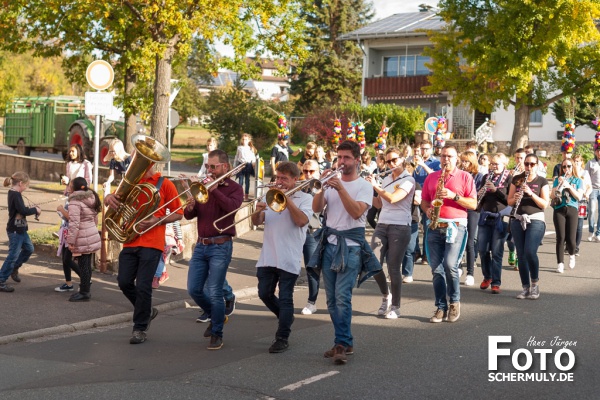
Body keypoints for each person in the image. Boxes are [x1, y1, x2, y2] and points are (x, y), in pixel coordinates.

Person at [307, 140, 381, 365]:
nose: (342, 162)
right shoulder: (332, 183)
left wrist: (339, 188)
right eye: (339, 157)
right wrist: (322, 187)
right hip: (329, 245)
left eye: (346, 158)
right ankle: (345, 341)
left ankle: (340, 344)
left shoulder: (364, 186)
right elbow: (317, 209)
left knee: (342, 297)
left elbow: (357, 212)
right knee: (330, 300)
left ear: (357, 160)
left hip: (351, 247)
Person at [104, 162, 183, 344]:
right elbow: (115, 201)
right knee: (123, 282)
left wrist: (158, 219)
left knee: (143, 286)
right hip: (131, 240)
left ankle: (139, 328)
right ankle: (147, 311)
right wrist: (109, 197)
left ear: (152, 163)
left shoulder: (166, 184)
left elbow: (179, 213)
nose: (135, 164)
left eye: (138, 160)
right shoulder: (131, 182)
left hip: (152, 242)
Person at [184, 149, 244, 350]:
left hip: (221, 245)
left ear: (225, 167)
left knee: (215, 291)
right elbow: (189, 216)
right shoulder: (203, 187)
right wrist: (191, 206)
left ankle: (217, 332)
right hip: (201, 245)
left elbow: (231, 208)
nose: (209, 169)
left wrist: (214, 189)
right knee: (193, 289)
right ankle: (217, 316)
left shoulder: (235, 188)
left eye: (213, 166)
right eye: (208, 166)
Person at [252, 162, 312, 353]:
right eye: (278, 177)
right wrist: (258, 209)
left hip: (289, 256)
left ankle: (282, 337)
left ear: (296, 179)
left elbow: (302, 221)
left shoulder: (306, 198)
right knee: (264, 293)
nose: (279, 181)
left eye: (284, 178)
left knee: (286, 298)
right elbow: (257, 221)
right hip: (268, 255)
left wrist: (287, 199)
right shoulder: (270, 196)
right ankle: (286, 317)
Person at [421, 145, 477, 323]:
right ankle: (440, 307)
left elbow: (473, 205)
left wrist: (454, 196)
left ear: (457, 159)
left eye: (450, 156)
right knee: (436, 269)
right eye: (443, 156)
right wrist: (428, 210)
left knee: (450, 265)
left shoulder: (465, 177)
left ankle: (454, 302)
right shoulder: (432, 177)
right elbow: (424, 202)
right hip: (435, 226)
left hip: (456, 226)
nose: (446, 159)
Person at [366, 148, 415, 319]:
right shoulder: (386, 178)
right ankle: (386, 295)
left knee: (394, 267)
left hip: (400, 226)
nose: (391, 164)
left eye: (394, 160)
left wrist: (375, 186)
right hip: (382, 224)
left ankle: (396, 307)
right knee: (373, 262)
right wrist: (366, 189)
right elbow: (379, 204)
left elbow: (394, 198)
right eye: (388, 162)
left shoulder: (409, 179)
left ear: (402, 159)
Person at [507, 154, 550, 300]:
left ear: (537, 165)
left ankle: (535, 284)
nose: (529, 167)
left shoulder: (542, 181)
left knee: (530, 251)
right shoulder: (516, 179)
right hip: (518, 219)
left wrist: (530, 193)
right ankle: (525, 287)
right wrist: (516, 197)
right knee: (521, 254)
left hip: (536, 220)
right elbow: (509, 201)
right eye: (527, 164)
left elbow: (544, 204)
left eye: (532, 164)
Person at [477, 153, 512, 294]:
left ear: (504, 164)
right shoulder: (486, 177)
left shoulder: (510, 178)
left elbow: (509, 200)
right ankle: (487, 276)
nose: (493, 166)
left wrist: (496, 190)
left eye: (496, 164)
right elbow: (481, 197)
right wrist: (481, 193)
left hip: (500, 218)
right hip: (486, 216)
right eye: (492, 163)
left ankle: (496, 282)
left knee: (497, 252)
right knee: (482, 249)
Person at [0, 172, 40, 292]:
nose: (26, 188)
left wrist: (31, 209)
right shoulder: (15, 194)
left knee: (29, 249)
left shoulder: (16, 193)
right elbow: (22, 210)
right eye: (26, 186)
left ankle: (14, 267)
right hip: (15, 230)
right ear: (21, 183)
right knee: (13, 255)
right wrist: (35, 210)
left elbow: (21, 209)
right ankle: (1, 279)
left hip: (21, 229)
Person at [64, 177, 102, 301]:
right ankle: (84, 289)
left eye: (70, 185)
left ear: (75, 187)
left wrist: (70, 241)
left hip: (83, 236)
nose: (69, 187)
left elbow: (74, 223)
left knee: (84, 266)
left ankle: (85, 292)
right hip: (91, 233)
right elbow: (95, 218)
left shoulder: (75, 202)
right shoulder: (91, 197)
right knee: (87, 265)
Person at [551, 158, 583, 273]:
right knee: (560, 237)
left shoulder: (578, 180)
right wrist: (558, 184)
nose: (566, 169)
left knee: (571, 238)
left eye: (569, 166)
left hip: (572, 208)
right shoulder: (558, 179)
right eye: (564, 167)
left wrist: (568, 185)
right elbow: (552, 195)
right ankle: (560, 263)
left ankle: (572, 254)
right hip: (559, 208)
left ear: (572, 167)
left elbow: (579, 197)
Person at [299, 160, 322, 315]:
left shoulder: (322, 188)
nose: (308, 174)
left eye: (311, 171)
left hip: (312, 233)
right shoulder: (299, 186)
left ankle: (312, 302)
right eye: (306, 171)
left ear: (318, 172)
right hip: (295, 231)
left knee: (311, 267)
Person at [413, 141, 441, 266]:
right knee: (413, 225)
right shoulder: (414, 161)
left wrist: (422, 164)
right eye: (421, 149)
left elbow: (435, 176)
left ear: (431, 149)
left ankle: (425, 254)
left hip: (428, 198)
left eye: (426, 149)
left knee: (426, 226)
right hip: (414, 196)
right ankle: (415, 251)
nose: (423, 151)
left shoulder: (435, 162)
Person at [459, 151, 484, 286]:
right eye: (462, 161)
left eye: (467, 161)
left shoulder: (479, 176)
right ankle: (458, 267)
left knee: (470, 241)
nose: (464, 164)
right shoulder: (458, 174)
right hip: (459, 208)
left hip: (473, 210)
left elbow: (478, 195)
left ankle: (470, 273)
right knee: (457, 240)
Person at [55, 181, 81, 292]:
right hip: (66, 231)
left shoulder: (76, 200)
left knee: (67, 259)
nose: (68, 187)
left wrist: (61, 210)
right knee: (64, 258)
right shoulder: (70, 198)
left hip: (72, 233)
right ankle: (68, 283)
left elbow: (71, 217)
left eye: (70, 186)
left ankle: (85, 277)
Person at [400, 159, 421, 283]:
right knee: (395, 248)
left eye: (408, 171)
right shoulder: (396, 184)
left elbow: (418, 201)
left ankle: (408, 273)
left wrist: (414, 196)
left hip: (412, 219)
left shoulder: (416, 185)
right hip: (397, 218)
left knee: (409, 248)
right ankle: (394, 272)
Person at [507, 148, 527, 269]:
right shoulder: (512, 173)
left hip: (525, 208)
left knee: (522, 237)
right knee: (510, 237)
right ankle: (511, 251)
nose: (519, 160)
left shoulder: (530, 173)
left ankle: (520, 258)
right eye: (517, 158)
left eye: (521, 158)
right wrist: (510, 178)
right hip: (513, 207)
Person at [573, 154, 592, 254]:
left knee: (579, 225)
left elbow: (589, 186)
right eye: (574, 161)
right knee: (571, 224)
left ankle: (576, 247)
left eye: (578, 161)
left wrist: (587, 194)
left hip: (582, 201)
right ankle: (569, 245)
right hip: (571, 200)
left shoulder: (585, 173)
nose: (576, 163)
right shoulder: (570, 172)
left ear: (581, 162)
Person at [234, 133, 257, 201]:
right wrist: (234, 165)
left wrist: (254, 165)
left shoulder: (251, 148)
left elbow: (253, 158)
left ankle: (246, 195)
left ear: (249, 140)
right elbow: (237, 157)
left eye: (246, 139)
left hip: (248, 165)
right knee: (240, 181)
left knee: (247, 180)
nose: (244, 141)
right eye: (243, 139)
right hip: (241, 165)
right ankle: (240, 195)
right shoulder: (239, 148)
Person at [585, 145, 600, 242]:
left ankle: (598, 233)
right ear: (595, 152)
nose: (599, 153)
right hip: (593, 189)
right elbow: (586, 178)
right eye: (598, 151)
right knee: (592, 211)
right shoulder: (590, 163)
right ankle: (591, 231)